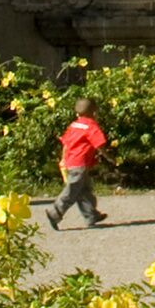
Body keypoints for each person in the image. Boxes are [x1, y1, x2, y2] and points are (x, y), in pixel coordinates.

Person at [47, 95, 110, 230]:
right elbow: (99, 145)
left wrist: (63, 159)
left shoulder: (74, 125)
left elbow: (65, 143)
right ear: (94, 112)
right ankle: (55, 213)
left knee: (84, 190)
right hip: (80, 164)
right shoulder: (91, 126)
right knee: (72, 191)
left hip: (71, 161)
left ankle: (91, 215)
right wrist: (109, 157)